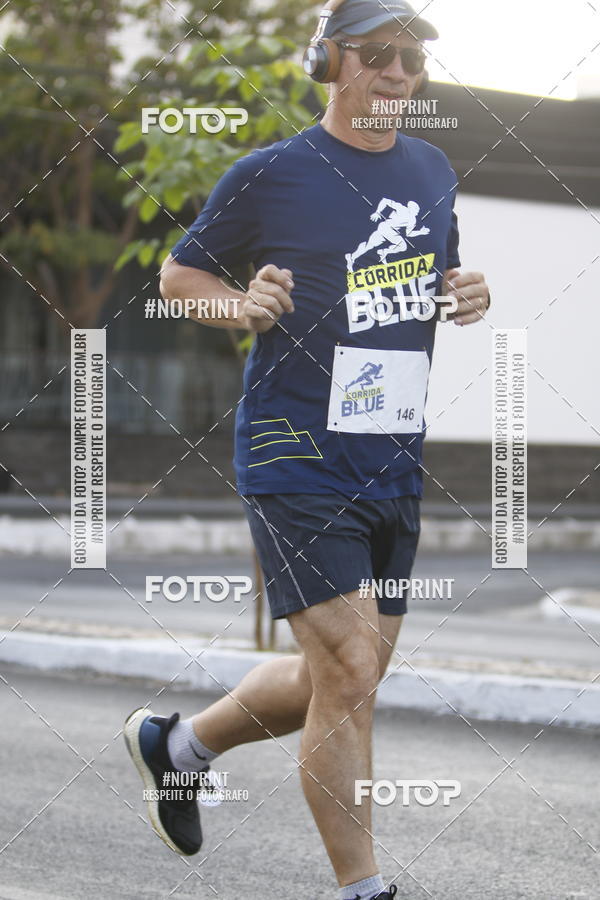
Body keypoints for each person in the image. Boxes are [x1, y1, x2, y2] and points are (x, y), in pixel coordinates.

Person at [124, 1, 490, 897]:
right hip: (295, 451)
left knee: (340, 676)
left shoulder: (435, 168)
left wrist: (464, 293)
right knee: (352, 668)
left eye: (410, 59)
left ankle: (180, 746)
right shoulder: (273, 173)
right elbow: (180, 276)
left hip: (392, 457)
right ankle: (363, 890)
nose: (398, 73)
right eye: (377, 55)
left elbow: (434, 279)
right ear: (328, 61)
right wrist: (238, 305)